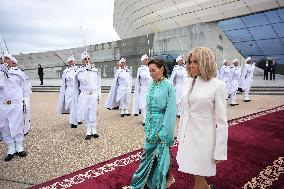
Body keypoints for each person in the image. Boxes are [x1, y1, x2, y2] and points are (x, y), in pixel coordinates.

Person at [176, 47, 228, 189]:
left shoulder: (218, 86)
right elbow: (185, 111)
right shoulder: (187, 82)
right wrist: (180, 136)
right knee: (196, 175)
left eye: (196, 62)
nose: (191, 65)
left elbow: (222, 122)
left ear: (205, 62)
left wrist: (220, 151)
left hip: (204, 139)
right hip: (188, 136)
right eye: (190, 61)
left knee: (198, 175)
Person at [128, 58, 176, 189]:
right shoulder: (151, 85)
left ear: (162, 69)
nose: (151, 73)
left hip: (162, 126)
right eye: (150, 71)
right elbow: (148, 108)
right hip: (150, 126)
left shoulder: (169, 86)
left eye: (153, 70)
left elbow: (170, 111)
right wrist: (148, 126)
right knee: (146, 156)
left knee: (162, 157)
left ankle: (159, 183)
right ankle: (141, 183)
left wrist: (164, 132)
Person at [0, 53, 31, 161]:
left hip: (16, 104)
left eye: (7, 58)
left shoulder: (19, 73)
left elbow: (26, 89)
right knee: (5, 127)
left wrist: (26, 103)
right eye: (2, 58)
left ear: (12, 61)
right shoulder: (0, 72)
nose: (4, 60)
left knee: (17, 125)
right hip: (3, 105)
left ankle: (19, 146)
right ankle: (10, 148)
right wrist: (1, 72)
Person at [74, 51, 101, 140]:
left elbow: (98, 84)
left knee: (93, 112)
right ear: (82, 61)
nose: (87, 60)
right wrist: (87, 70)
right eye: (85, 59)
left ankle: (94, 129)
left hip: (93, 94)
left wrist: (98, 95)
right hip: (85, 95)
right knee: (86, 112)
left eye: (88, 58)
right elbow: (83, 80)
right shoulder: (80, 71)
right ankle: (88, 130)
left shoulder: (95, 70)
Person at [57, 55, 78, 128]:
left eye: (73, 61)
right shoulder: (66, 71)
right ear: (68, 63)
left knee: (76, 105)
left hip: (76, 90)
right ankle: (73, 121)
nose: (72, 63)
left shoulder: (78, 70)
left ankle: (74, 121)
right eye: (71, 61)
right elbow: (64, 82)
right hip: (69, 90)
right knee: (71, 105)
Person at [132, 54, 152, 126]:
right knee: (143, 104)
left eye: (147, 59)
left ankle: (149, 118)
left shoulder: (151, 67)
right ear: (142, 61)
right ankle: (144, 119)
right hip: (143, 88)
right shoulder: (140, 69)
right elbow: (142, 77)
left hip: (150, 87)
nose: (147, 61)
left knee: (150, 103)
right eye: (145, 60)